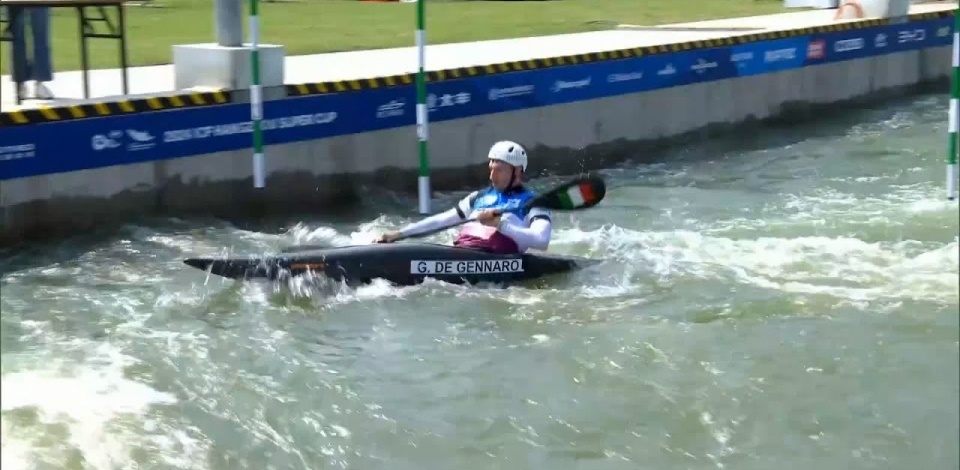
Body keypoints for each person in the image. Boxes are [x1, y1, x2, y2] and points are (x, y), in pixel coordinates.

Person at [374, 141, 552, 254]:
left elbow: (541, 241)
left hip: (497, 262)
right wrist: (399, 234)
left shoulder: (533, 203)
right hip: (463, 254)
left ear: (517, 171)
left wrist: (501, 225)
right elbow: (441, 221)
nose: (492, 177)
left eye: (498, 170)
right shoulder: (478, 198)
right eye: (490, 169)